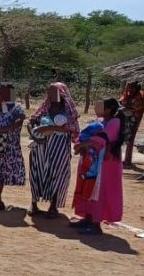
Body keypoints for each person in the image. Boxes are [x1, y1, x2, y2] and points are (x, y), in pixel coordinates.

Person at [71, 98, 125, 234]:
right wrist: (81, 145)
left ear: (108, 109)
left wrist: (81, 145)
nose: (97, 108)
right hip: (93, 162)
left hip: (105, 163)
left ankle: (96, 223)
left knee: (99, 191)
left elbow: (102, 138)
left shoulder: (115, 122)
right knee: (89, 188)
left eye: (101, 106)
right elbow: (87, 135)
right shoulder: (100, 121)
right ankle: (88, 218)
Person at [27, 83, 79, 218]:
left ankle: (53, 206)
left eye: (54, 91)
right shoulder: (45, 107)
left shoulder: (68, 110)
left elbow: (73, 128)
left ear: (62, 93)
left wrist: (50, 128)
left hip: (59, 146)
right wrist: (35, 136)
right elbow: (31, 121)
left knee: (57, 174)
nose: (50, 94)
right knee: (36, 172)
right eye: (49, 91)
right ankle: (33, 203)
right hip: (41, 146)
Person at [120, 82, 143, 166]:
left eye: (131, 87)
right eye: (128, 87)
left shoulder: (139, 96)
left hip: (134, 120)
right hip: (126, 119)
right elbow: (122, 101)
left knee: (130, 140)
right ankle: (125, 160)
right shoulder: (128, 94)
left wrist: (128, 109)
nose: (129, 89)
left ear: (136, 88)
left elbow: (138, 107)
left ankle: (127, 161)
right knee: (125, 139)